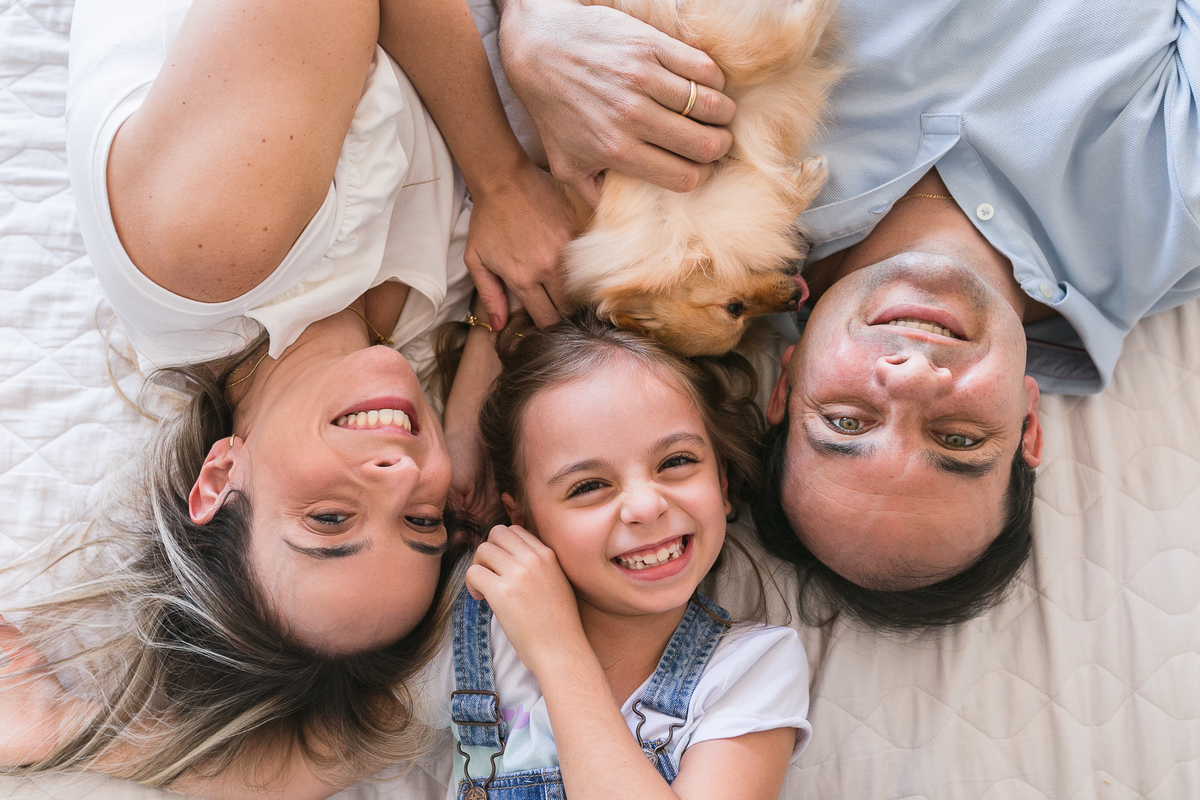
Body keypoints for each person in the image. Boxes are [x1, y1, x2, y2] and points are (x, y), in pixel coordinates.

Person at [0, 0, 571, 795]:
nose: (402, 475)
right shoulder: (412, 323)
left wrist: (502, 177)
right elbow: (359, 732)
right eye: (423, 521)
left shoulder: (209, 252)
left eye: (330, 520)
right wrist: (485, 347)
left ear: (218, 478)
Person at [492, 0, 1200, 628]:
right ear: (1027, 422)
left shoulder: (669, 207)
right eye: (958, 438)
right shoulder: (1177, 208)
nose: (913, 377)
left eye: (848, 422)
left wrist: (528, 23)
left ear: (786, 384)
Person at [423, 313, 811, 800]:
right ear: (522, 521)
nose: (647, 506)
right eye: (589, 486)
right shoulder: (469, 631)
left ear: (723, 483)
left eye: (676, 462)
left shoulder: (751, 670)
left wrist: (559, 653)